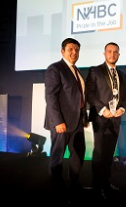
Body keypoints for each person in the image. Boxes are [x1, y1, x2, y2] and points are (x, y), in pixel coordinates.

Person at [44, 37, 89, 204]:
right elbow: (51, 97)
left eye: (77, 50)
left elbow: (79, 97)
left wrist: (84, 118)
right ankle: (59, 192)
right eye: (70, 49)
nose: (74, 52)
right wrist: (57, 121)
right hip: (61, 124)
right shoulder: (55, 69)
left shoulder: (76, 71)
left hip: (77, 123)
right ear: (62, 51)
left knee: (78, 156)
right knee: (57, 159)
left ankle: (74, 185)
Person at [85, 42, 126, 200]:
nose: (112, 54)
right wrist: (103, 110)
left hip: (115, 120)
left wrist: (122, 108)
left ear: (118, 54)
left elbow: (123, 96)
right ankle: (97, 186)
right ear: (104, 54)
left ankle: (105, 182)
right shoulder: (95, 71)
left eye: (115, 52)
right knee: (98, 154)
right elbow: (89, 93)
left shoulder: (122, 75)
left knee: (109, 154)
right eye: (109, 52)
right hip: (101, 119)